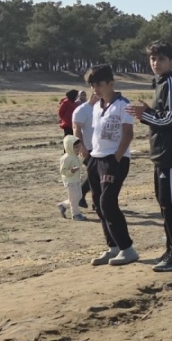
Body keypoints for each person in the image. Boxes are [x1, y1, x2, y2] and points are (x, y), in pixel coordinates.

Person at [126, 40, 172, 273]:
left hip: (171, 152)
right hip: (162, 151)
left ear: (171, 61)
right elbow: (163, 114)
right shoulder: (163, 82)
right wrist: (149, 112)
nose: (155, 63)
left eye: (161, 59)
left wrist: (144, 115)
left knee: (170, 202)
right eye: (152, 59)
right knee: (164, 201)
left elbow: (170, 118)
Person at [85, 64, 138, 266]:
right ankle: (113, 247)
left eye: (99, 84)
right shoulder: (96, 106)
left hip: (114, 159)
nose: (95, 89)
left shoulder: (123, 104)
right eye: (92, 85)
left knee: (108, 203)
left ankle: (127, 248)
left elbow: (128, 134)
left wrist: (116, 157)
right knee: (98, 204)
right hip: (96, 158)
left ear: (111, 83)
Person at [71, 90, 96, 208]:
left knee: (97, 175)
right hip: (87, 148)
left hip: (99, 148)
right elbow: (76, 130)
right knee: (95, 174)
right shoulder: (82, 110)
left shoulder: (101, 108)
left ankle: (96, 202)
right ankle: (80, 196)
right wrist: (81, 147)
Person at [56, 135, 87, 221]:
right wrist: (71, 171)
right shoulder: (66, 158)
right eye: (76, 147)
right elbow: (63, 171)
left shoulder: (75, 156)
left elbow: (78, 164)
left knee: (78, 196)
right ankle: (76, 214)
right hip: (70, 181)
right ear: (69, 147)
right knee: (74, 198)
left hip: (76, 180)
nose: (78, 149)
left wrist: (82, 157)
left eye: (79, 147)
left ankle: (63, 205)